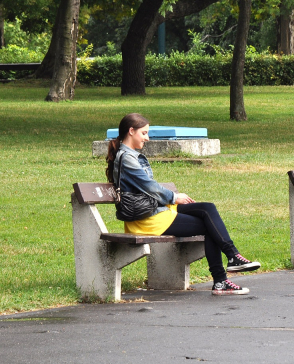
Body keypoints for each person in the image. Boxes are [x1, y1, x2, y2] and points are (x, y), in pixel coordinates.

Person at [107, 113, 260, 295]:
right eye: (144, 133)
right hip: (147, 219)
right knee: (208, 226)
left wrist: (173, 198)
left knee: (207, 208)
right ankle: (222, 278)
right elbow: (149, 186)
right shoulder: (127, 158)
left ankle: (232, 258)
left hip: (156, 210)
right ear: (131, 131)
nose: (147, 138)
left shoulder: (131, 155)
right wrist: (174, 197)